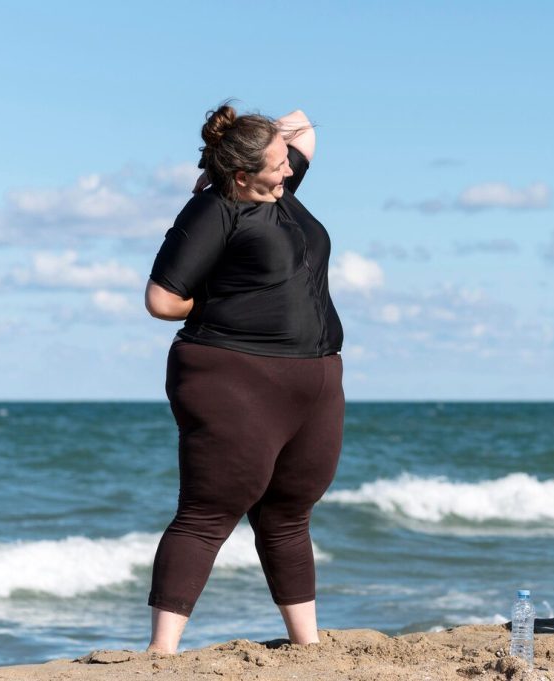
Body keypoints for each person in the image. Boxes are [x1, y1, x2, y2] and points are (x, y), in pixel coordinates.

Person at [144, 104, 345, 653]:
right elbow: (161, 298)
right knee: (209, 510)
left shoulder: (275, 184)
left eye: (285, 162)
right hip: (234, 374)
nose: (288, 171)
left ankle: (308, 647)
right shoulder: (214, 209)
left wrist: (256, 137)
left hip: (315, 376)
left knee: (289, 511)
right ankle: (161, 654)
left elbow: (303, 124)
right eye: (276, 165)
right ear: (241, 176)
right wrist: (228, 305)